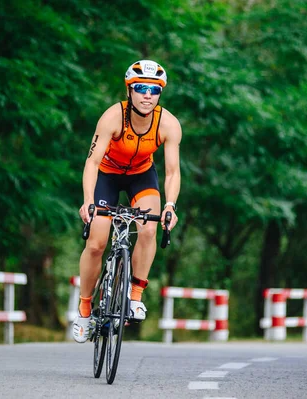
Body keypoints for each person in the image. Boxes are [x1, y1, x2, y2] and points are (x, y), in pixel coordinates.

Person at [72, 60, 182, 343]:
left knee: (148, 228)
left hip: (141, 176)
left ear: (160, 94)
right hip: (106, 175)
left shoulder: (168, 124)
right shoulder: (112, 117)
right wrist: (88, 201)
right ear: (130, 90)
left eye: (154, 90)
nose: (147, 95)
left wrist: (170, 206)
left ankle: (134, 296)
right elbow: (92, 162)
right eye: (141, 88)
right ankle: (85, 309)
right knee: (96, 243)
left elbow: (172, 172)